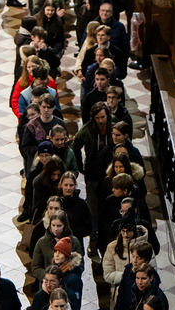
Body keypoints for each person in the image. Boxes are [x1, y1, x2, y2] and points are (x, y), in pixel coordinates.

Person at [72, 101, 112, 256]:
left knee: (107, 206)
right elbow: (76, 145)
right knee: (93, 208)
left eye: (103, 117)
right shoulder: (88, 130)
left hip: (110, 174)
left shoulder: (113, 127)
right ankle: (93, 240)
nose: (101, 121)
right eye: (98, 118)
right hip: (93, 173)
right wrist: (81, 166)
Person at [31, 210, 84, 281]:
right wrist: (50, 277)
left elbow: (80, 265)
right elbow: (35, 268)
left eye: (59, 226)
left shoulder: (74, 242)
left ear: (65, 226)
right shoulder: (42, 242)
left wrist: (67, 276)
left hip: (68, 282)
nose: (56, 229)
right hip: (48, 283)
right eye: (53, 225)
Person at [59, 171, 92, 245]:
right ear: (61, 185)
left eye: (71, 185)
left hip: (76, 243)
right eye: (66, 185)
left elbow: (88, 227)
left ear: (75, 186)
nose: (68, 188)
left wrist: (73, 233)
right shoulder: (56, 202)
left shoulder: (82, 204)